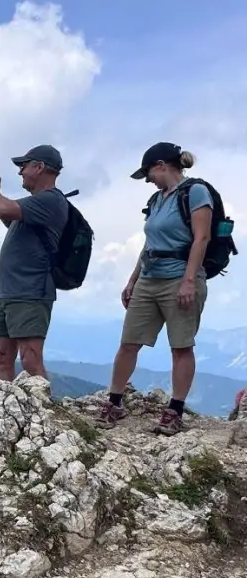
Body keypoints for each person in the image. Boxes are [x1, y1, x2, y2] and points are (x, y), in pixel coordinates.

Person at [94, 142, 213, 435]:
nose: (148, 180)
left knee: (181, 346)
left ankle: (174, 410)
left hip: (179, 278)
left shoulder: (196, 193)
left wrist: (188, 280)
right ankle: (114, 402)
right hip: (150, 277)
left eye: (149, 173)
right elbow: (150, 244)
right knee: (129, 342)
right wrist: (133, 279)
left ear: (161, 165)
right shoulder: (157, 199)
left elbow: (202, 238)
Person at [0, 144, 70, 382]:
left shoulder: (50, 200)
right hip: (8, 290)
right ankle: (4, 414)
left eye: (24, 166)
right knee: (3, 355)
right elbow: (8, 216)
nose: (20, 172)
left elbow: (1, 208)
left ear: (39, 167)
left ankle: (43, 414)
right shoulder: (35, 203)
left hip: (31, 291)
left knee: (30, 359)